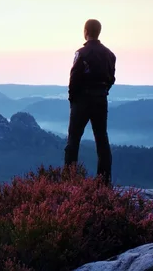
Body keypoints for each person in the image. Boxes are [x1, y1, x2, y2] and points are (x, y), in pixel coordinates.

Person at [65, 19, 116, 184]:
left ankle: (69, 181)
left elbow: (74, 78)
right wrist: (104, 91)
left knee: (74, 139)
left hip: (82, 99)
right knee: (102, 139)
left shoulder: (81, 53)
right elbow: (111, 78)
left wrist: (72, 98)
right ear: (99, 32)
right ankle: (104, 181)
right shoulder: (109, 54)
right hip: (101, 98)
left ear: (85, 31)